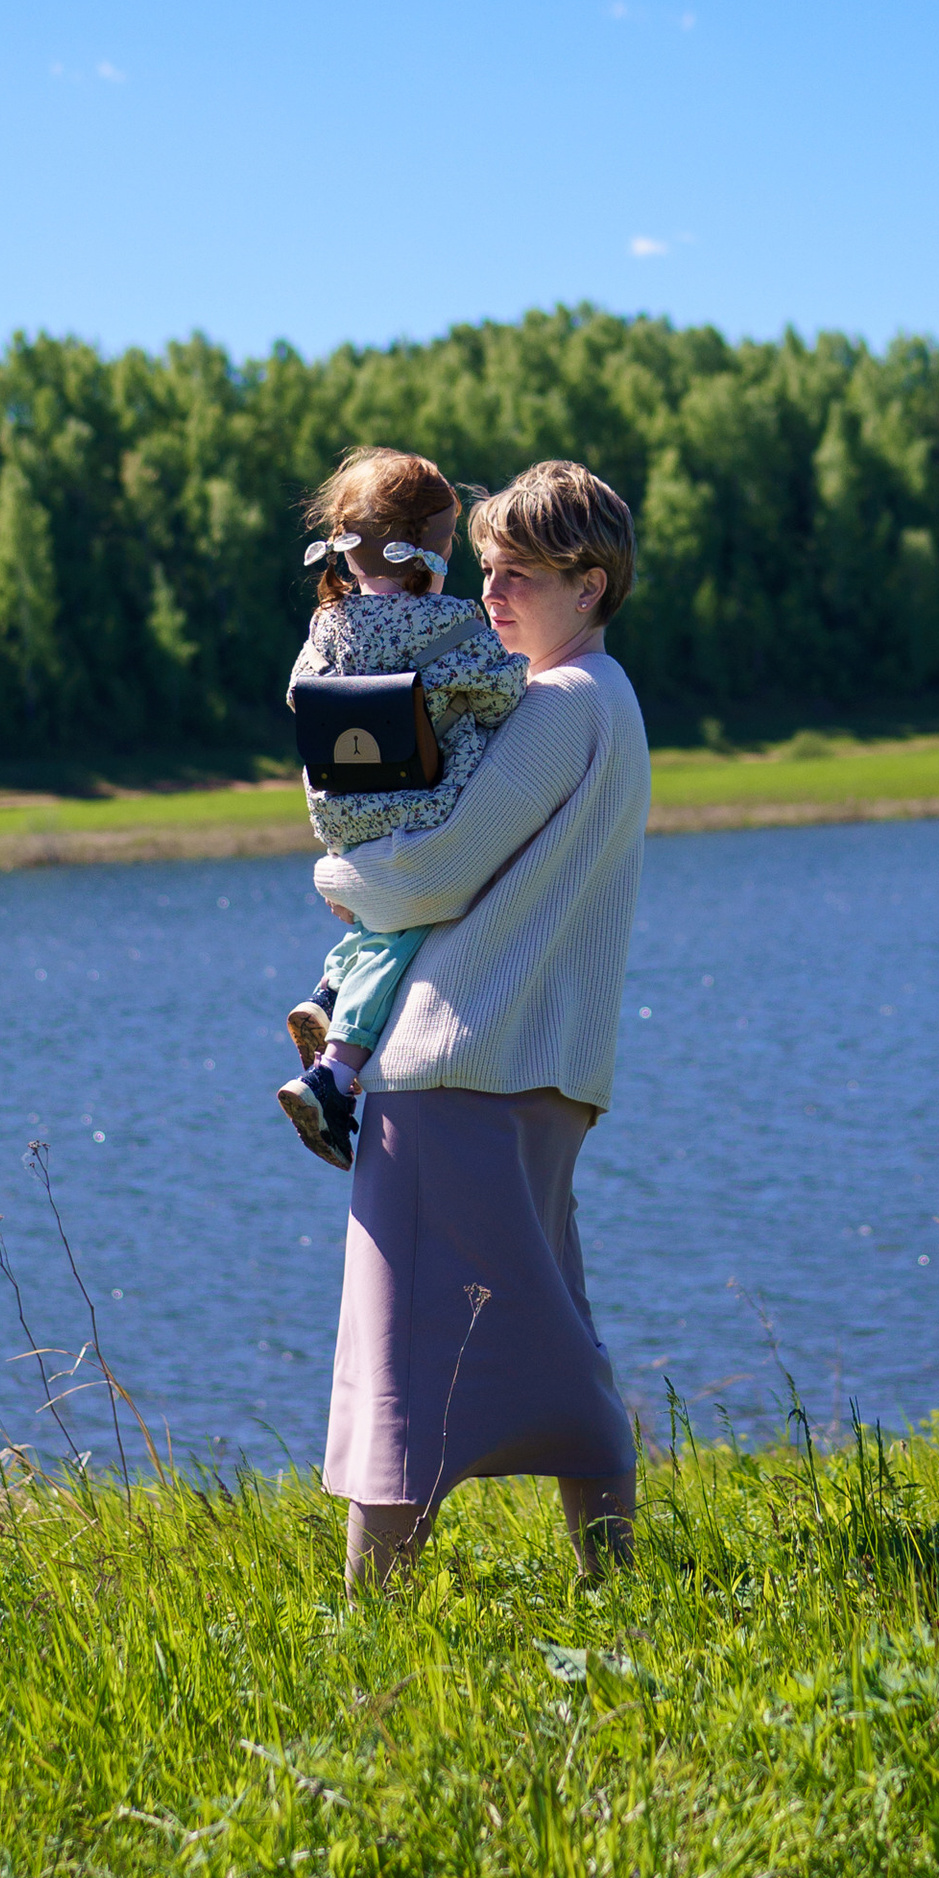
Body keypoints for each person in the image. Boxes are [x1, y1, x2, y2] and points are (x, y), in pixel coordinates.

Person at [312, 459, 650, 1588]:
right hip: (548, 1070)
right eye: (486, 569)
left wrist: (335, 872)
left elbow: (432, 875)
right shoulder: (618, 700)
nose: (490, 596)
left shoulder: (560, 704)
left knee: (399, 1359)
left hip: (453, 1062)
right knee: (557, 1333)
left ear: (590, 583)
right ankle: (612, 1589)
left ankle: (371, 1633)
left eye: (517, 576)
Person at [275, 448, 525, 1169]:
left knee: (381, 920)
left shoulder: (330, 625)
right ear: (437, 549)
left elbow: (301, 695)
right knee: (415, 923)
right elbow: (506, 694)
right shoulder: (455, 623)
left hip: (341, 813)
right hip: (422, 811)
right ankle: (335, 1073)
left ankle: (328, 988)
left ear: (347, 547)